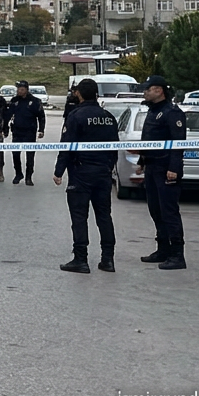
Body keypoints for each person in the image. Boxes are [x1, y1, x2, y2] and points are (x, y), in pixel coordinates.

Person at [54, 78, 120, 273]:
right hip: (103, 173)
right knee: (104, 216)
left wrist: (59, 171)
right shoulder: (108, 117)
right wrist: (108, 168)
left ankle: (80, 259)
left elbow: (67, 145)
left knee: (79, 217)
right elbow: (115, 147)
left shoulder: (76, 116)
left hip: (81, 173)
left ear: (79, 94)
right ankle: (108, 259)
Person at [134, 75, 188, 270]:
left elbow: (178, 142)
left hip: (166, 169)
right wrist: (142, 161)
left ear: (159, 90)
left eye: (148, 89)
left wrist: (174, 168)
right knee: (155, 210)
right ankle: (163, 249)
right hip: (152, 167)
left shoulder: (172, 112)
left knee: (169, 212)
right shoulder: (153, 111)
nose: (145, 92)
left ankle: (177, 255)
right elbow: (149, 139)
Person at [7, 81, 46, 185]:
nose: (19, 91)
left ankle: (29, 176)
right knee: (15, 154)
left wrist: (41, 130)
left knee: (30, 156)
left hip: (30, 131)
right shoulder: (14, 101)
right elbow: (8, 115)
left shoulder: (35, 101)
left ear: (27, 90)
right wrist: (4, 128)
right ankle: (18, 174)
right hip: (17, 131)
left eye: (22, 89)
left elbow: (41, 116)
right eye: (18, 89)